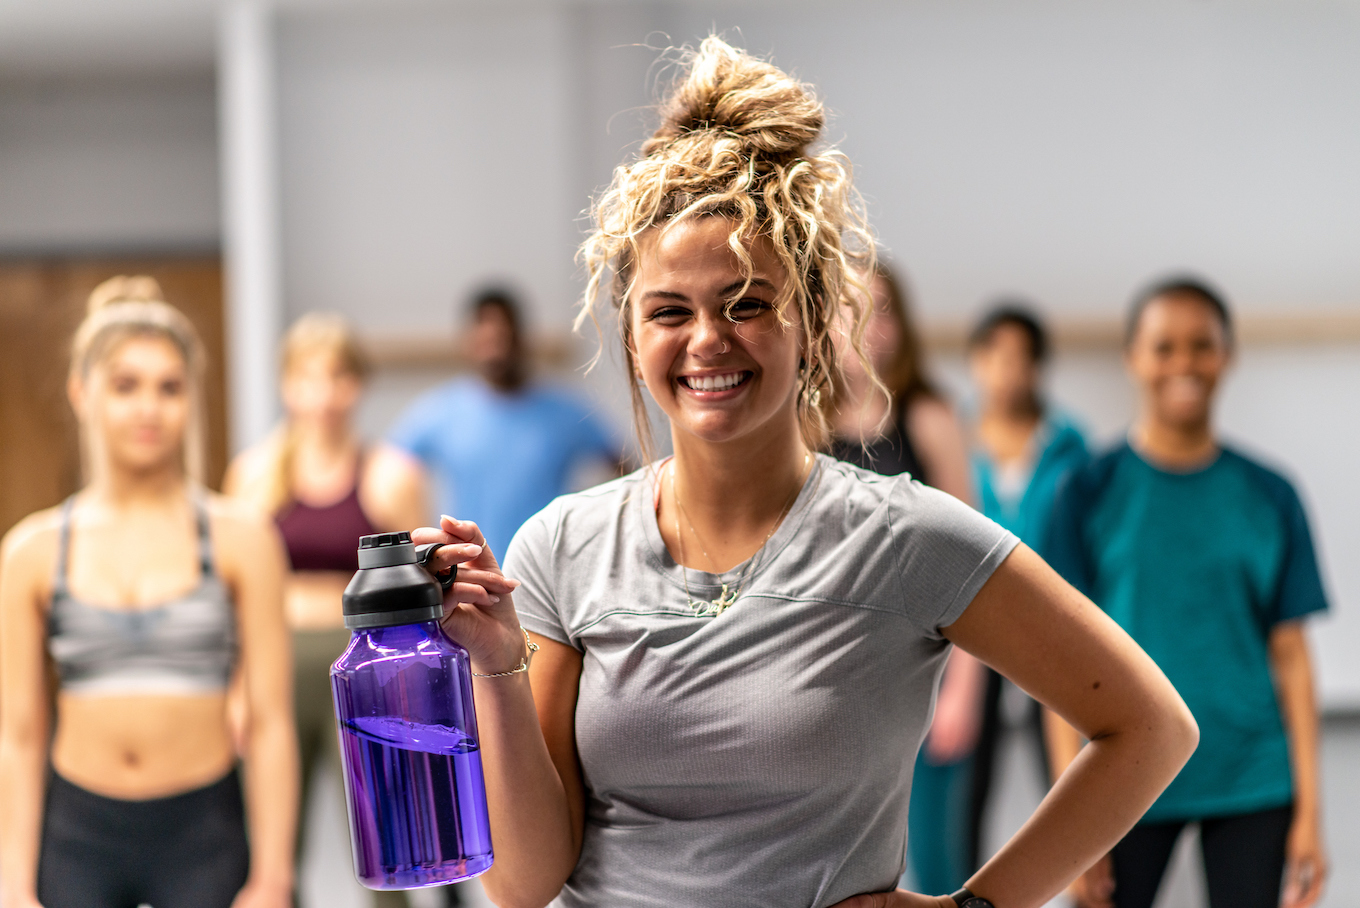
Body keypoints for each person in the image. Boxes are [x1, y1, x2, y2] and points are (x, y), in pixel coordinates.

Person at [413, 37, 1197, 908]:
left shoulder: (904, 538)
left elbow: (1149, 727)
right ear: (634, 337)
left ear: (814, 318)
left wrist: (973, 907)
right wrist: (493, 666)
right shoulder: (563, 546)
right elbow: (522, 886)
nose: (707, 339)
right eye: (669, 311)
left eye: (747, 303)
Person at [0, 276, 297, 908]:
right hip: (78, 832)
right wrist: (12, 884)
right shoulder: (31, 551)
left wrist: (272, 878)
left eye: (169, 387)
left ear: (191, 398)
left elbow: (271, 724)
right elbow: (19, 734)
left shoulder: (242, 540)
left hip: (203, 831)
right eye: (125, 385)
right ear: (83, 393)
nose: (148, 408)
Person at [1045, 276, 1329, 908]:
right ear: (1133, 359)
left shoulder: (1270, 494)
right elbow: (1056, 662)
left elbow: (1292, 657)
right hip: (1122, 775)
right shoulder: (1086, 491)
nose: (1184, 363)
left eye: (1201, 345)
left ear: (1227, 356)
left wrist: (1312, 811)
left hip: (1249, 777)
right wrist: (1067, 823)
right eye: (1163, 346)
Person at [223, 312, 428, 908]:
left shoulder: (391, 476)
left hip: (365, 672)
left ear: (357, 385)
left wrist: (411, 690)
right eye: (307, 376)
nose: (322, 393)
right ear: (286, 385)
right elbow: (236, 597)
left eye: (337, 376)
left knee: (386, 841)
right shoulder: (254, 477)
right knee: (271, 853)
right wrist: (237, 688)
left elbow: (417, 595)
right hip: (277, 666)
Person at [828, 263, 987, 894]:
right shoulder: (798, 425)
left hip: (930, 673)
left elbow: (977, 565)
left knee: (939, 866)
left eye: (883, 308)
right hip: (844, 680)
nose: (867, 324)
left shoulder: (927, 416)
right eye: (849, 307)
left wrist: (964, 691)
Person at [963, 302, 1088, 871]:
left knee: (1064, 771)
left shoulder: (1070, 445)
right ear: (975, 363)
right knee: (969, 772)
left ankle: (1078, 876)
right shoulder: (954, 437)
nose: (1009, 370)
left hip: (1049, 623)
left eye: (1022, 358)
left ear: (1039, 367)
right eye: (996, 356)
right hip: (968, 625)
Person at [385, 288, 622, 560]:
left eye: (502, 337)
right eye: (485, 339)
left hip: (546, 570)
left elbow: (624, 467)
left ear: (521, 338)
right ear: (468, 342)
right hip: (471, 571)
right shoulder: (441, 412)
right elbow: (387, 469)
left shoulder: (566, 412)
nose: (494, 349)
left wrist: (597, 538)